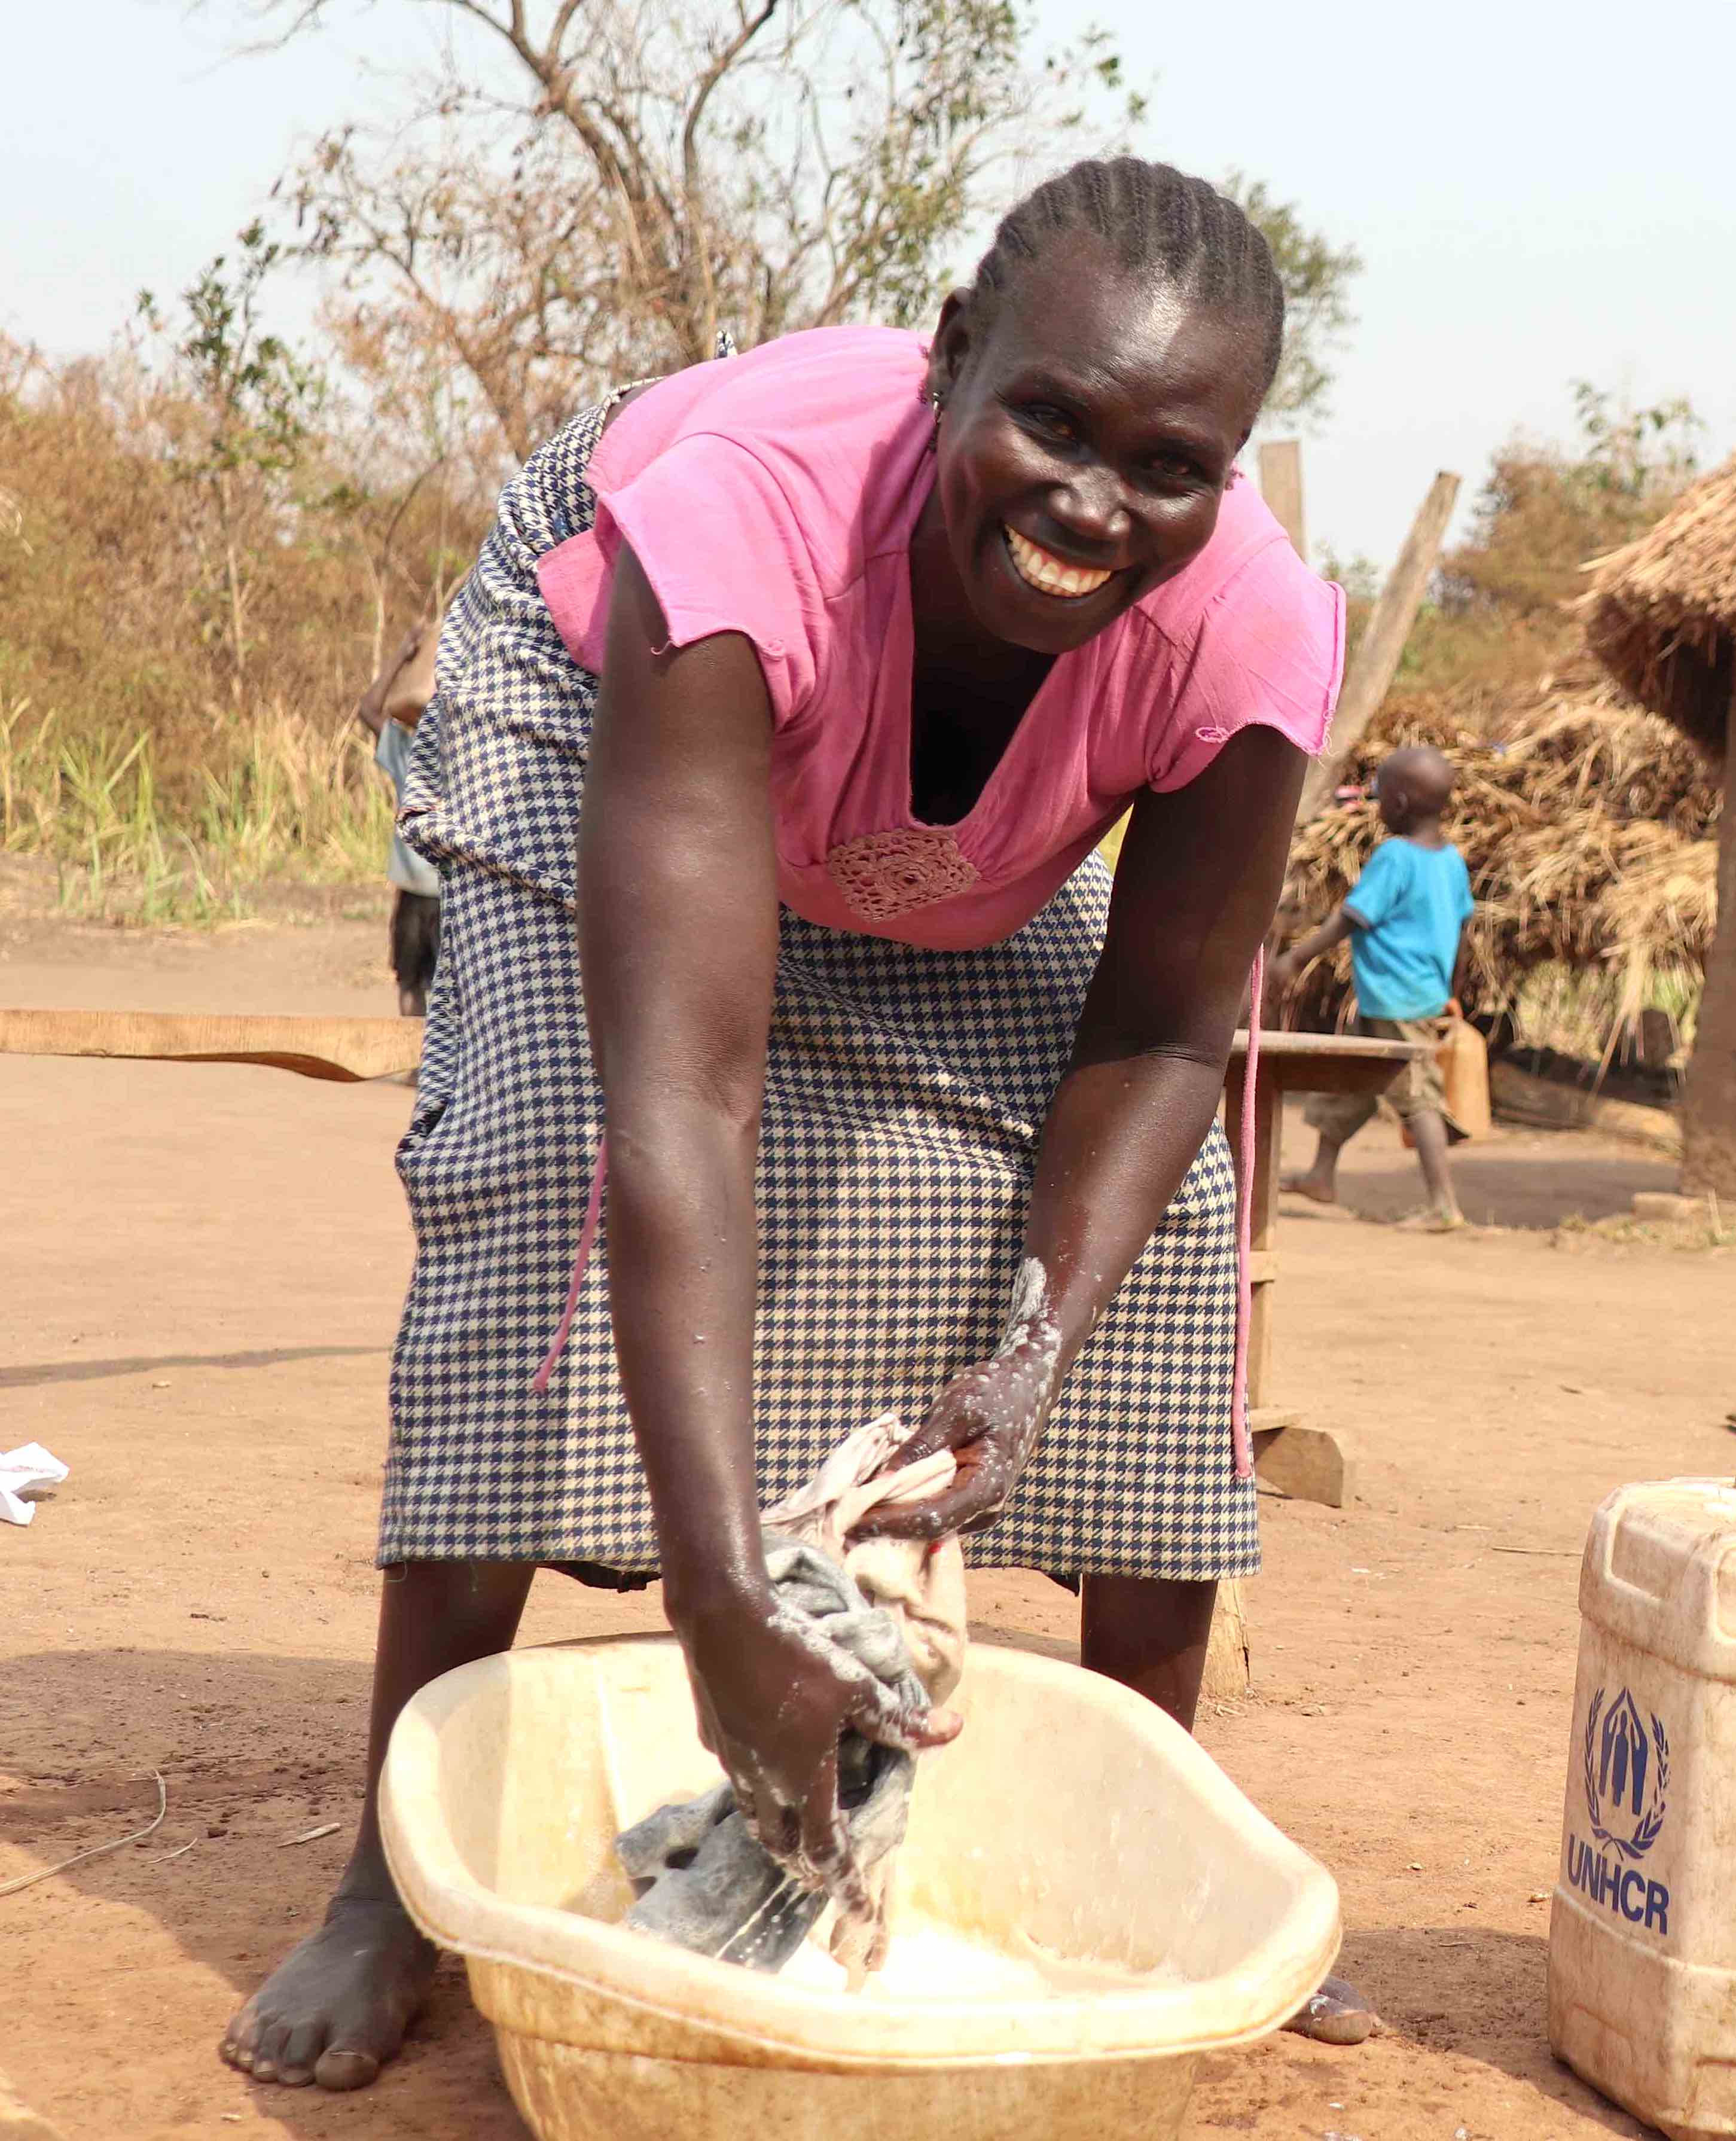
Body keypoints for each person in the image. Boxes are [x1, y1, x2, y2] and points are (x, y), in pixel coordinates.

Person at [221, 157, 1382, 2093]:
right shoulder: (748, 512)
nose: (1094, 504)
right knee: (549, 1163)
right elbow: (684, 1081)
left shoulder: (1243, 630)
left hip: (943, 856)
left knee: (1150, 1241)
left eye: (1168, 467)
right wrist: (718, 1595)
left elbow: (1171, 1033)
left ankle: (1161, 1856)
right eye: (1047, 421)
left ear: (1233, 472)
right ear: (949, 365)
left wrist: (1029, 1360)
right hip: (610, 683)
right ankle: (382, 1892)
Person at [1276, 745, 1475, 1229]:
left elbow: (1352, 918)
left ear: (1400, 804)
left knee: (1416, 1096)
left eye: (1380, 795)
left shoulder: (1394, 858)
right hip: (1411, 993)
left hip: (1396, 998)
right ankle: (1322, 1175)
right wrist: (1450, 988)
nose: (1377, 803)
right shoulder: (1451, 861)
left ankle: (1443, 1205)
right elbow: (1463, 933)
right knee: (1351, 1082)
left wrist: (1295, 957)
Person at [352, 629, 442, 1016]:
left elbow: (369, 711)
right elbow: (369, 710)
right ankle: (417, 1062)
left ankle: (431, 1066)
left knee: (431, 985)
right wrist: (401, 656)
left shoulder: (467, 762)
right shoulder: (410, 753)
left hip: (449, 897)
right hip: (417, 894)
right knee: (411, 980)